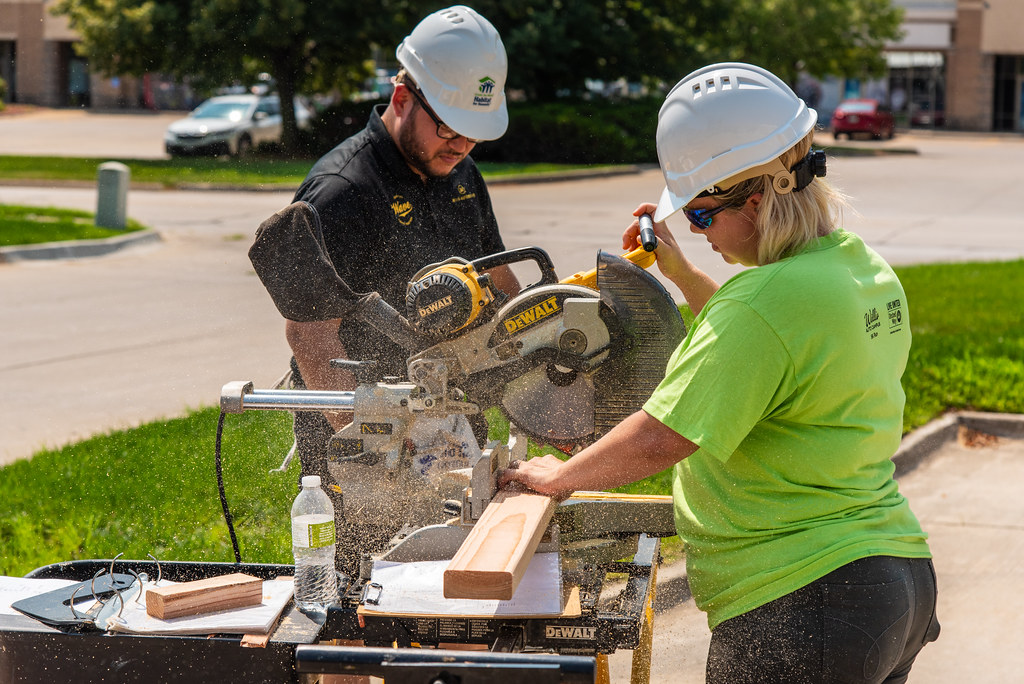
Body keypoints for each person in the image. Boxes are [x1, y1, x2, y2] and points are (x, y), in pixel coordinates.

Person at [500, 62, 939, 684]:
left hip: (799, 597)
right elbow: (765, 349)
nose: (694, 229)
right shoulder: (857, 270)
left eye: (702, 215)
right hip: (891, 582)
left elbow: (665, 434)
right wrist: (680, 273)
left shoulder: (762, 303)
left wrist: (560, 477)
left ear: (756, 201)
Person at [281, 5, 520, 573]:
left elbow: (499, 278)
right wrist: (375, 450)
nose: (461, 145)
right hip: (364, 435)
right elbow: (309, 335)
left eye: (473, 135)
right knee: (360, 596)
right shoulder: (341, 191)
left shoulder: (459, 172)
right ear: (402, 97)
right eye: (449, 128)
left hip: (454, 414)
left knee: (460, 583)